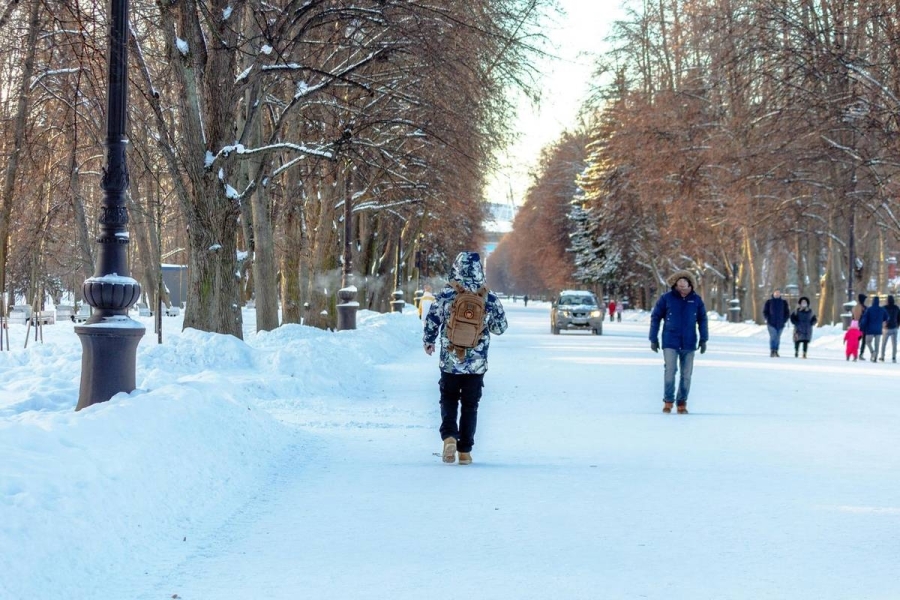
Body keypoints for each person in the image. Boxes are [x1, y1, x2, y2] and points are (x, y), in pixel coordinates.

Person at [423, 252, 508, 465]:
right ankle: (465, 452)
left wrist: (429, 340)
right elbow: (500, 327)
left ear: (456, 267)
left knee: (449, 398)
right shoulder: (488, 296)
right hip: (476, 364)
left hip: (450, 360)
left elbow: (432, 319)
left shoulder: (447, 293)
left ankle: (450, 437)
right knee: (471, 405)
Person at [649, 270, 708, 414]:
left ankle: (682, 402)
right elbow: (656, 317)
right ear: (675, 284)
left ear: (690, 284)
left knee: (686, 374)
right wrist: (653, 338)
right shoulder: (666, 298)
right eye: (679, 282)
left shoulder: (696, 300)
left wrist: (703, 339)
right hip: (670, 341)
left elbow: (702, 320)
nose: (681, 284)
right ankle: (668, 401)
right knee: (670, 371)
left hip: (689, 342)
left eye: (684, 282)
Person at [763, 288, 790, 357]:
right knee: (773, 336)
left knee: (778, 337)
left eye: (778, 293)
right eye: (776, 293)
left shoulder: (784, 302)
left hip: (780, 323)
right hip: (771, 323)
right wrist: (767, 318)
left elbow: (787, 312)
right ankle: (772, 350)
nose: (777, 294)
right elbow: (765, 312)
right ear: (773, 293)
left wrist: (784, 320)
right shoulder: (769, 302)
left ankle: (776, 350)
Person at [859, 296, 886, 363]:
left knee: (867, 341)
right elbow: (887, 317)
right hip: (878, 329)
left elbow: (864, 319)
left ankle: (872, 352)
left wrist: (862, 326)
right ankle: (875, 358)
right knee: (877, 344)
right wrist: (881, 320)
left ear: (873, 301)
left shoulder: (869, 309)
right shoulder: (882, 309)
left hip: (870, 329)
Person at [880, 295, 899, 363]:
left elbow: (881, 317)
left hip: (886, 328)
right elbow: (899, 317)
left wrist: (882, 324)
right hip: (894, 327)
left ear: (887, 300)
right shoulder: (896, 308)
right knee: (894, 344)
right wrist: (898, 325)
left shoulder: (884, 308)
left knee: (884, 343)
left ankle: (882, 357)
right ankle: (894, 357)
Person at [851, 294, 867, 359]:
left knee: (856, 340)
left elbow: (852, 317)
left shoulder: (854, 308)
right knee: (864, 341)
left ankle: (854, 352)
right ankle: (861, 354)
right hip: (863, 326)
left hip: (855, 326)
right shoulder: (864, 308)